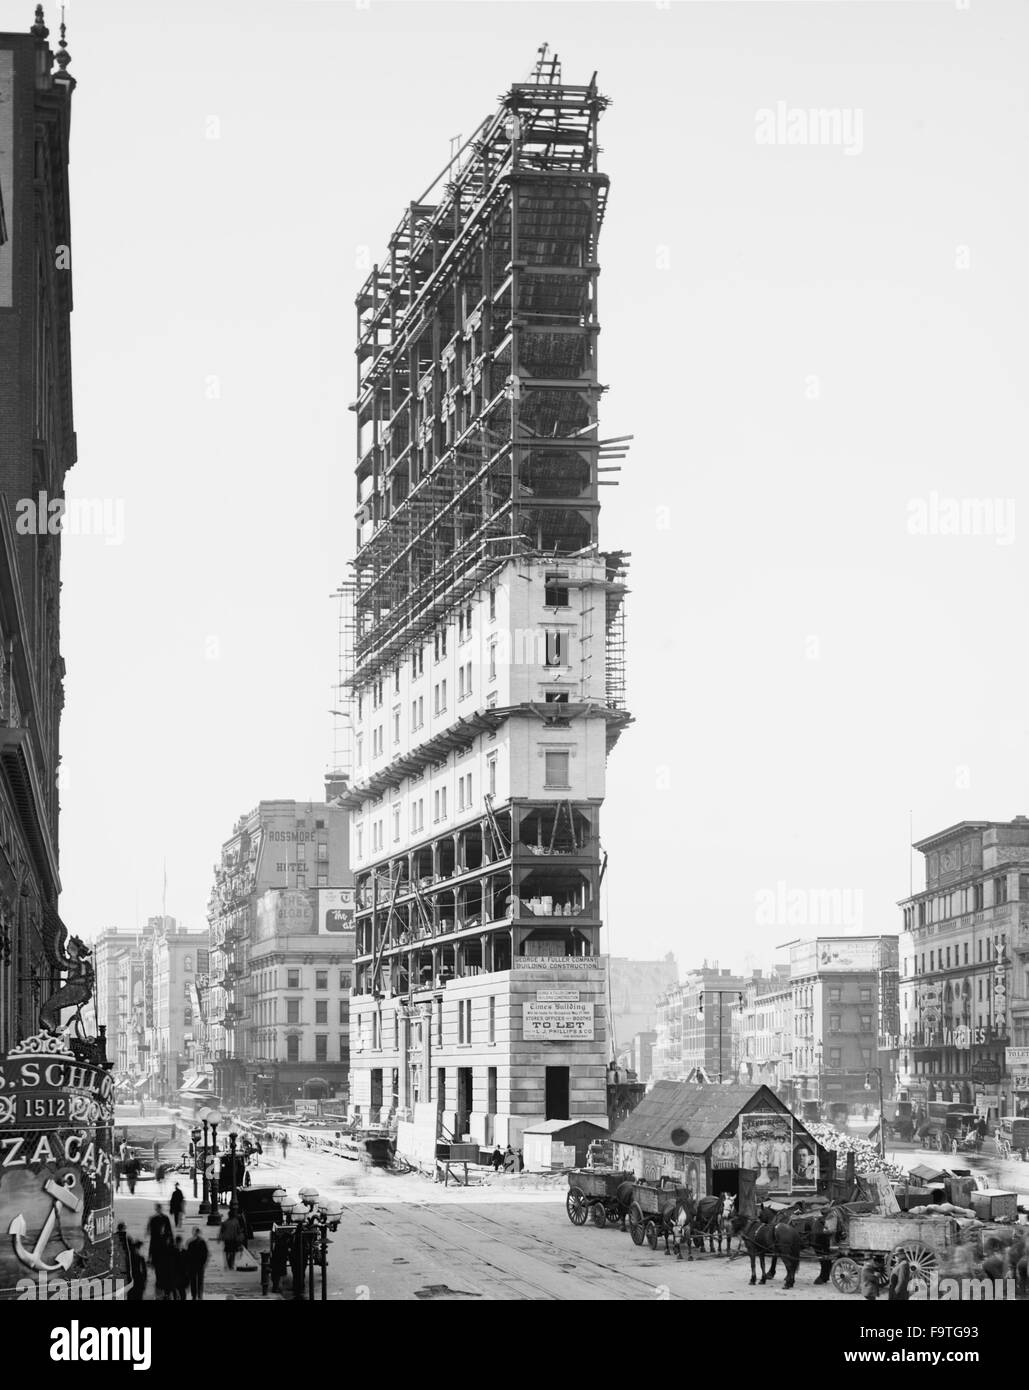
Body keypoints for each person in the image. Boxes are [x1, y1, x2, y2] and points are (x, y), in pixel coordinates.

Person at [218, 1206, 245, 1271]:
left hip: (227, 1240)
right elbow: (238, 1231)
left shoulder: (225, 1223)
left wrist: (220, 1238)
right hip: (233, 1239)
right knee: (233, 1252)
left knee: (227, 1251)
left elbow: (221, 1231)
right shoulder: (236, 1222)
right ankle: (231, 1264)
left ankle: (228, 1263)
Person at [186, 1227, 209, 1300]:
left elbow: (188, 1255)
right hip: (200, 1265)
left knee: (193, 1281)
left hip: (192, 1265)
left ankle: (194, 1295)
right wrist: (204, 1263)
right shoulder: (203, 1242)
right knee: (200, 1281)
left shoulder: (190, 1242)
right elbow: (205, 1254)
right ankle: (200, 1295)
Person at [172, 1235, 190, 1301]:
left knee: (182, 1294)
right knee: (176, 1294)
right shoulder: (173, 1252)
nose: (179, 1244)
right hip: (176, 1276)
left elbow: (188, 1265)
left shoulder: (185, 1252)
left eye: (179, 1243)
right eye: (177, 1243)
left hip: (183, 1276)